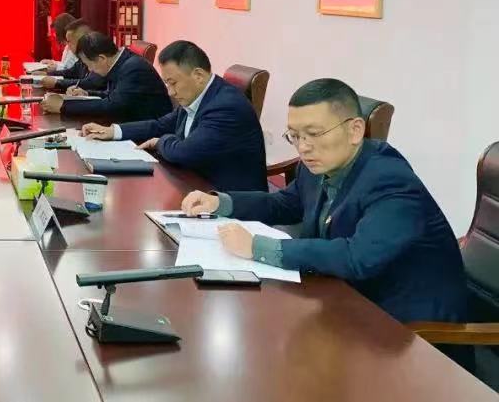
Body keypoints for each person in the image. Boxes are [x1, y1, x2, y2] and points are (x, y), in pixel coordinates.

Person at [181, 78, 467, 325]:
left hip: (407, 329)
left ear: (355, 130)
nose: (303, 147)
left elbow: (357, 257)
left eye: (315, 134)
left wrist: (257, 247)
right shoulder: (317, 165)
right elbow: (284, 204)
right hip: (346, 299)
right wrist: (221, 203)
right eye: (295, 136)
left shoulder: (389, 180)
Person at [81, 40, 266, 191]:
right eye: (167, 84)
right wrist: (113, 131)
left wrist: (160, 142)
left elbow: (185, 152)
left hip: (229, 200)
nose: (170, 92)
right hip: (194, 183)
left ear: (198, 75)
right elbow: (160, 125)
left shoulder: (225, 106)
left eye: (173, 83)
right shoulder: (198, 96)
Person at [41, 31, 172, 122]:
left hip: (148, 135)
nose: (90, 70)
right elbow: (115, 96)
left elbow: (112, 106)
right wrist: (87, 93)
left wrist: (63, 106)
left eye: (89, 65)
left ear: (101, 58)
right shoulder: (122, 61)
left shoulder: (133, 68)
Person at [39, 19, 103, 93]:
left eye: (70, 42)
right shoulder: (81, 58)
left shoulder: (97, 57)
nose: (68, 46)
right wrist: (47, 74)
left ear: (82, 40)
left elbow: (89, 83)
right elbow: (70, 72)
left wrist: (57, 82)